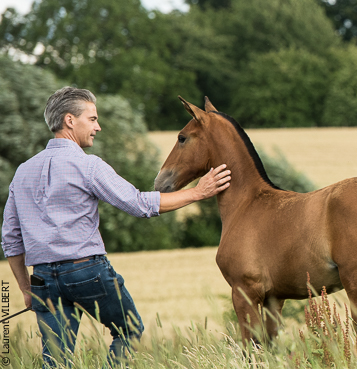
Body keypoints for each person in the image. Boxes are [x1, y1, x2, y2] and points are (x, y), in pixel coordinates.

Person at [1, 87, 232, 367]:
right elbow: (139, 204)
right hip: (87, 271)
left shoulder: (22, 171)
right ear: (70, 120)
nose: (98, 127)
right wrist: (198, 192)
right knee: (129, 330)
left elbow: (11, 239)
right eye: (92, 119)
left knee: (56, 360)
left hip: (41, 279)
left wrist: (26, 289)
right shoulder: (88, 166)